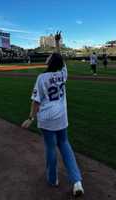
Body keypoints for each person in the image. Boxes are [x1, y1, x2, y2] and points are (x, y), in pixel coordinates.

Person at [21, 31, 84, 197]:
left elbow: (36, 101)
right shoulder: (63, 73)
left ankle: (52, 179)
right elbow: (59, 57)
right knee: (65, 144)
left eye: (49, 56)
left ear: (50, 61)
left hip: (47, 119)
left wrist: (30, 118)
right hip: (62, 117)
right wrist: (58, 43)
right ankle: (76, 181)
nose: (48, 57)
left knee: (50, 147)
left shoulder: (42, 78)